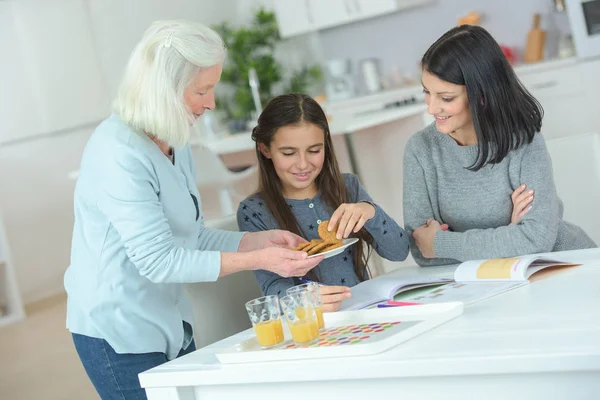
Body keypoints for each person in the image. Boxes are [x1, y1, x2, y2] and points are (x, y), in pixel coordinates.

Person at [64, 20, 322, 399]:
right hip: (118, 328)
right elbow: (158, 261)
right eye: (202, 90)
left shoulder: (174, 137)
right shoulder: (117, 152)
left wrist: (256, 241)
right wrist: (263, 260)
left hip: (168, 318)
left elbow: (192, 234)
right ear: (164, 89)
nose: (211, 102)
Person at [403, 25, 596, 267]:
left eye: (446, 97)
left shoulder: (524, 140)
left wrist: (443, 243)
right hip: (489, 280)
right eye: (427, 92)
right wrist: (510, 233)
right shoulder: (421, 150)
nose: (431, 108)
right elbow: (422, 250)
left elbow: (536, 239)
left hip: (561, 263)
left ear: (481, 95)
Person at [237, 93, 410, 311]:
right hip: (313, 324)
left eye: (314, 150)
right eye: (288, 153)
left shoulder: (347, 187)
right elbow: (272, 288)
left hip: (365, 309)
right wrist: (305, 300)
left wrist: (370, 211)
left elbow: (399, 251)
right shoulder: (254, 211)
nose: (302, 164)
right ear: (265, 149)